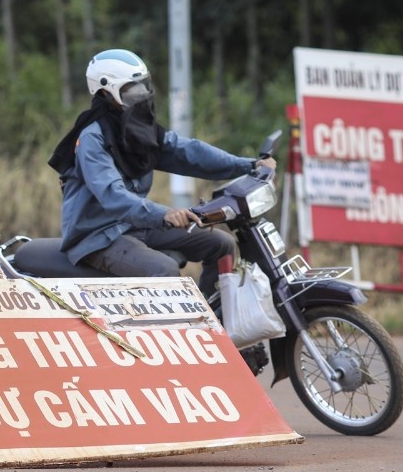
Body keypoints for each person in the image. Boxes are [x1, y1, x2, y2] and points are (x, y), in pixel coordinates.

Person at [48, 49, 273, 298]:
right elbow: (113, 195)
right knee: (163, 270)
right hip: (99, 236)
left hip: (135, 225)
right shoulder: (92, 138)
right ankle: (174, 334)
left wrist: (249, 165)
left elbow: (188, 152)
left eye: (144, 86)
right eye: (132, 90)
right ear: (105, 92)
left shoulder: (137, 128)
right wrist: (164, 213)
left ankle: (212, 321)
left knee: (222, 244)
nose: (142, 95)